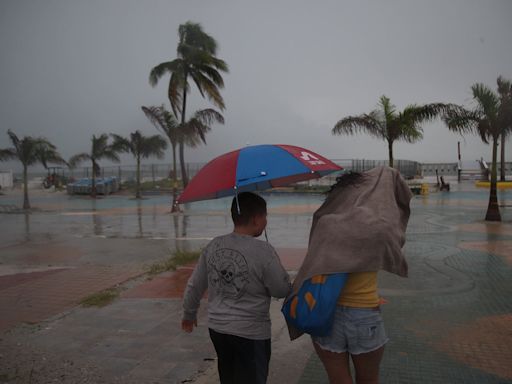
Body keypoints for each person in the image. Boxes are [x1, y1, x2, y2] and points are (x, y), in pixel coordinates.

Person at [287, 167, 412, 384]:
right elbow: (396, 232)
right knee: (369, 380)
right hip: (365, 314)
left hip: (327, 314)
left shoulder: (327, 222)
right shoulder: (378, 226)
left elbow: (315, 264)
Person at [182, 192, 291, 384]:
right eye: (265, 217)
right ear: (257, 219)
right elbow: (280, 290)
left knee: (229, 377)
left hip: (218, 329)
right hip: (251, 333)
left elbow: (194, 285)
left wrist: (189, 315)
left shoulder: (214, 245)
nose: (266, 221)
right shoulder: (263, 251)